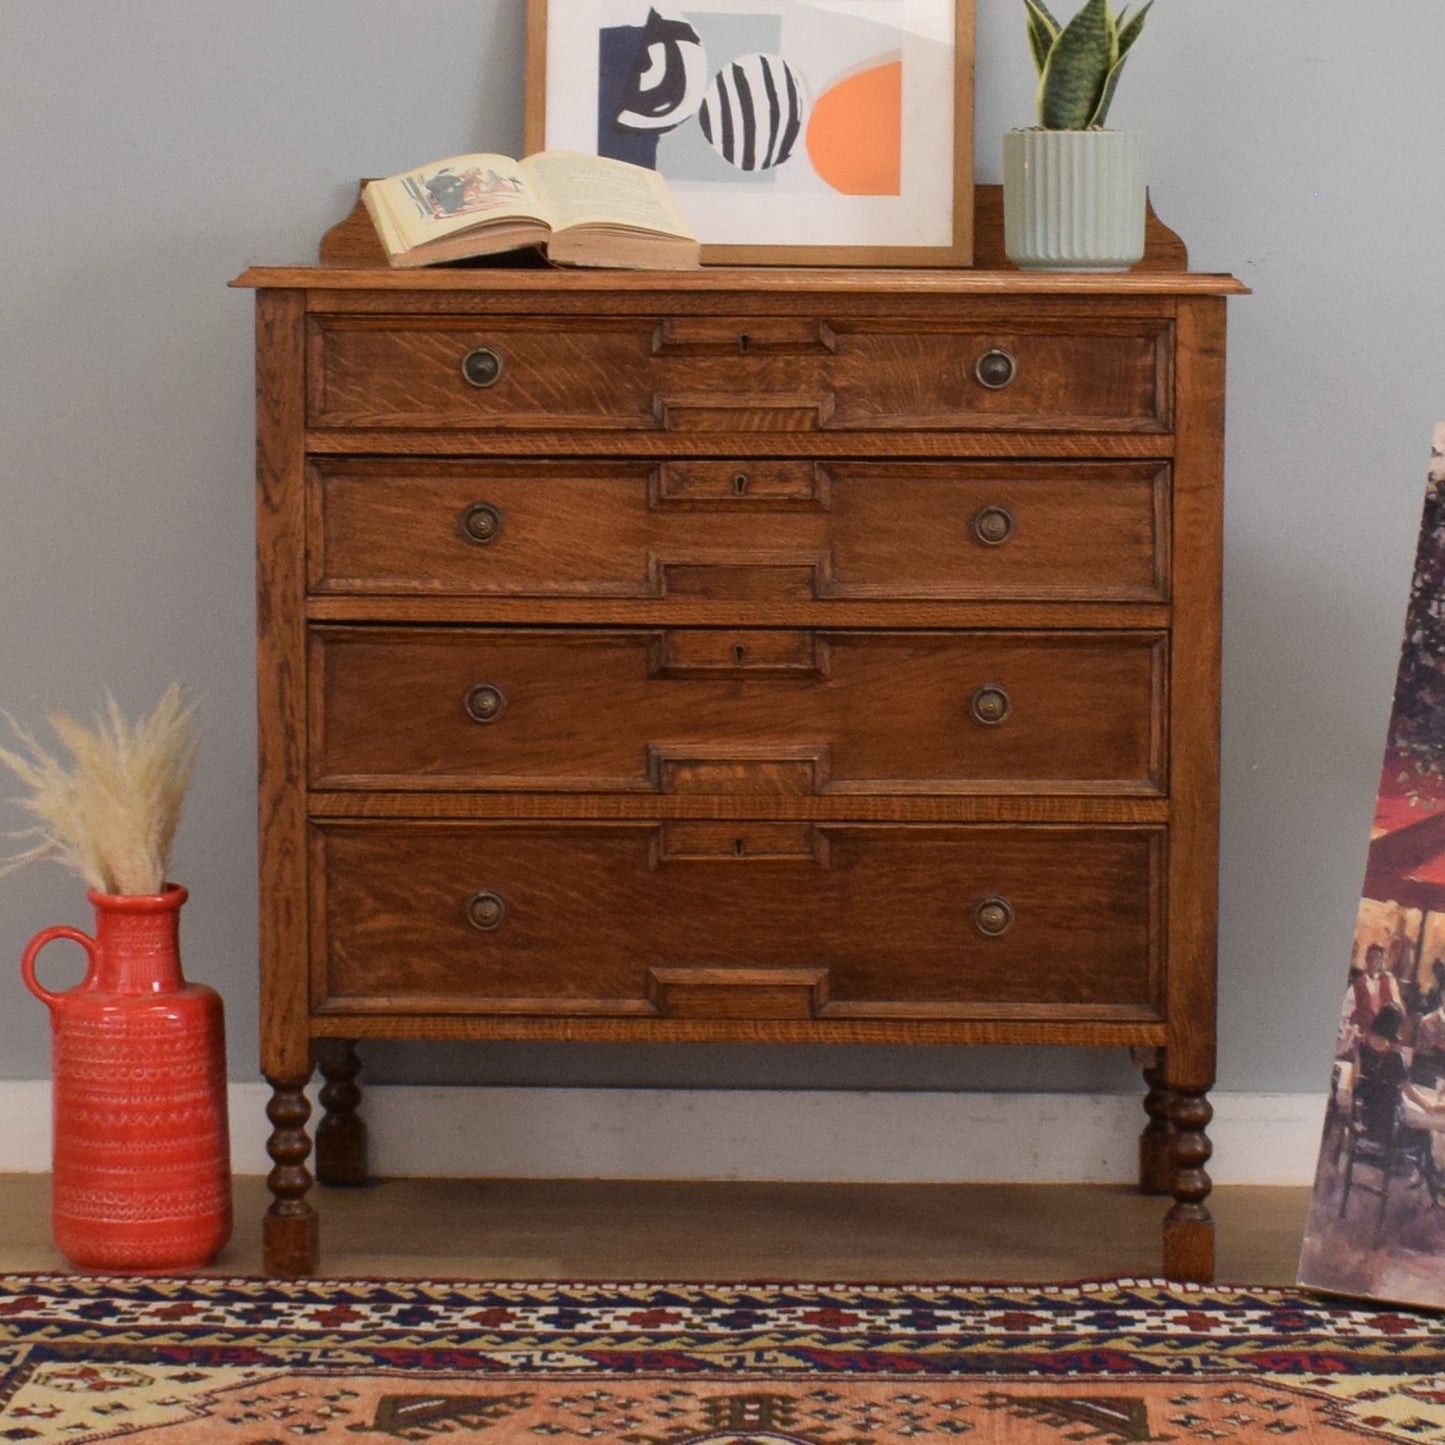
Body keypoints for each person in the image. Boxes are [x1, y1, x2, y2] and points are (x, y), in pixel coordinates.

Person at [1339, 944, 1405, 1059]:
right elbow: (1344, 1015)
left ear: (1382, 960)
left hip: (1385, 1040)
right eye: (1371, 958)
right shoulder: (1357, 986)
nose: (1374, 962)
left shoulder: (1389, 981)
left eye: (1377, 958)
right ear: (1366, 960)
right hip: (1364, 1040)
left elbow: (1398, 1008)